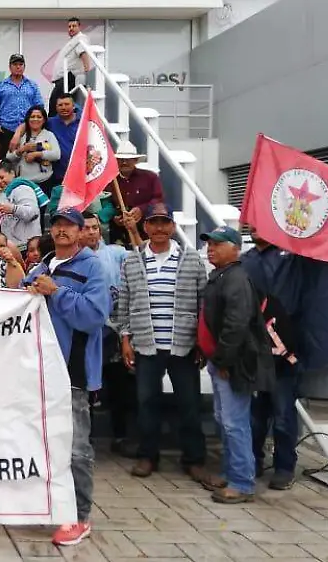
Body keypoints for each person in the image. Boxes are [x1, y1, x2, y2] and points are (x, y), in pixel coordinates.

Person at [22, 209, 111, 547]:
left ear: (80, 232)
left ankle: (79, 517)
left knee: (75, 449)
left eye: (68, 226)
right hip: (38, 371)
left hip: (71, 373)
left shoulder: (94, 268)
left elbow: (94, 316)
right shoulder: (42, 266)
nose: (61, 230)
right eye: (57, 225)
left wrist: (56, 291)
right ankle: (50, 507)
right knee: (44, 444)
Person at [114, 204, 208, 481]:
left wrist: (202, 342)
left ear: (172, 226)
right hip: (146, 344)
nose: (158, 228)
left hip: (184, 344)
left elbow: (203, 303)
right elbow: (125, 303)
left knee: (189, 404)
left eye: (164, 223)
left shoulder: (190, 259)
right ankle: (147, 456)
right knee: (147, 403)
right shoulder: (133, 260)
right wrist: (125, 339)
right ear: (145, 227)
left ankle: (194, 459)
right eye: (153, 223)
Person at [197, 225, 274, 505]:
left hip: (233, 363)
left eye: (218, 244)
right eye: (209, 243)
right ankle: (231, 473)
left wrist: (224, 360)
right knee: (224, 420)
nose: (211, 248)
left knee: (235, 423)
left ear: (235, 248)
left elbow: (236, 325)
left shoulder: (236, 279)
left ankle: (242, 482)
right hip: (220, 362)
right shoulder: (221, 276)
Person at [241, 224, 302, 491]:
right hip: (254, 352)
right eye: (251, 224)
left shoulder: (291, 258)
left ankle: (284, 466)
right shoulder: (245, 260)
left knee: (283, 414)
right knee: (254, 415)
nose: (256, 228)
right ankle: (253, 461)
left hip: (284, 353)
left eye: (260, 221)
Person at [81, 212, 133, 456]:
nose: (91, 232)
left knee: (120, 387)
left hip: (116, 330)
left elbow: (142, 257)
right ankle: (85, 439)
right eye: (86, 228)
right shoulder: (74, 258)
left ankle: (122, 436)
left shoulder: (115, 253)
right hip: (88, 332)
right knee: (87, 388)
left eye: (94, 227)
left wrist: (132, 230)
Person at [110, 141, 164, 247]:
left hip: (146, 231)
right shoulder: (110, 181)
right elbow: (106, 203)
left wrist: (141, 209)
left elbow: (158, 199)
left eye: (128, 160)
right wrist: (114, 217)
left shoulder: (150, 177)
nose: (124, 162)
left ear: (136, 160)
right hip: (118, 234)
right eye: (121, 159)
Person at [0, 54, 44, 154]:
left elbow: (39, 106)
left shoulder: (32, 85)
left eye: (21, 64)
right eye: (15, 64)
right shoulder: (1, 85)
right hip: (5, 130)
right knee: (5, 163)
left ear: (24, 67)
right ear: (10, 67)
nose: (18, 67)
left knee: (27, 160)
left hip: (28, 129)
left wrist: (36, 123)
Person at [7, 104, 61, 192]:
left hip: (44, 182)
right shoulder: (20, 136)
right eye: (32, 117)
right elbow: (9, 157)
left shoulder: (49, 135)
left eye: (39, 117)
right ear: (28, 119)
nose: (35, 119)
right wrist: (22, 149)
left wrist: (37, 154)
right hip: (23, 183)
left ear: (44, 120)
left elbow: (57, 155)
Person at [0, 163, 43, 254]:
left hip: (27, 246)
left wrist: (13, 209)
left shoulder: (23, 188)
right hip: (12, 246)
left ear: (12, 173)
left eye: (2, 177)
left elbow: (33, 213)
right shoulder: (2, 194)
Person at [50, 18, 92, 114]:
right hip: (62, 79)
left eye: (74, 26)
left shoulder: (81, 39)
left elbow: (83, 54)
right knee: (56, 103)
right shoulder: (72, 41)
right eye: (69, 26)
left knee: (55, 103)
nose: (71, 28)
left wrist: (87, 74)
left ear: (79, 27)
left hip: (69, 77)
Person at [45, 95, 81, 190]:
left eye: (67, 104)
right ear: (56, 107)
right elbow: (30, 122)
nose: (63, 107)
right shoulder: (50, 123)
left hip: (79, 174)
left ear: (73, 106)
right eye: (60, 105)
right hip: (57, 175)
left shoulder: (83, 122)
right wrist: (17, 134)